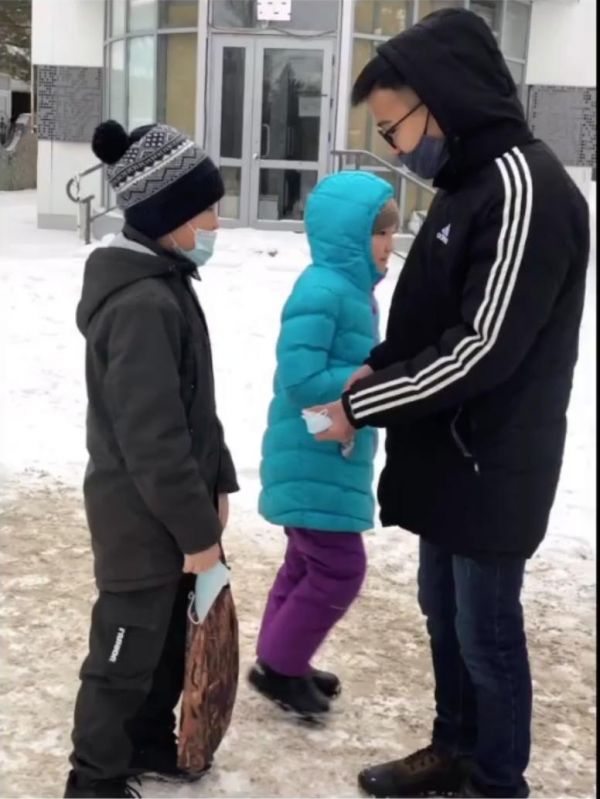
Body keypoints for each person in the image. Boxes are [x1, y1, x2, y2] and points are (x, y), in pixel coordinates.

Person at [309, 9, 589, 799]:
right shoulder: (467, 185)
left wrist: (366, 404)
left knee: (486, 632)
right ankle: (454, 748)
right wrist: (377, 366)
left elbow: (480, 348)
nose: (398, 149)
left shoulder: (525, 189)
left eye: (394, 128)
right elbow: (434, 313)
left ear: (441, 100)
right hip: (448, 452)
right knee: (444, 611)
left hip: (493, 460)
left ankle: (496, 781)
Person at [64, 121, 239, 799]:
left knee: (164, 640)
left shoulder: (168, 282)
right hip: (138, 520)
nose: (216, 223)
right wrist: (197, 534)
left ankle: (143, 739)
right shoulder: (141, 304)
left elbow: (195, 406)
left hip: (171, 513)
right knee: (123, 651)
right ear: (170, 215)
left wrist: (219, 480)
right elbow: (154, 438)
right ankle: (95, 776)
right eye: (208, 210)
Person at [248, 171, 398, 719]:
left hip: (323, 453)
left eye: (392, 232)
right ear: (348, 235)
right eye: (379, 232)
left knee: (304, 564)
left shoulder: (350, 291)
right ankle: (282, 666)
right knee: (339, 569)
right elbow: (299, 378)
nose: (389, 244)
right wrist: (364, 380)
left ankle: (279, 659)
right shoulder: (323, 290)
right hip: (312, 450)